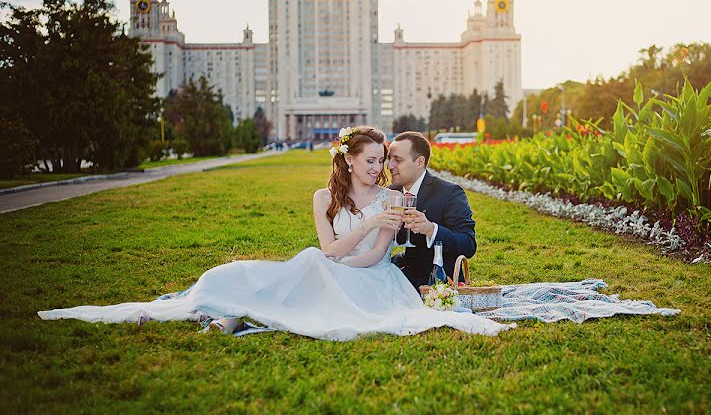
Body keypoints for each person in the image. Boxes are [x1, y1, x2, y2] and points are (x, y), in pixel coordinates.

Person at [38, 126, 513, 341]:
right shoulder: (322, 198)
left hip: (367, 276)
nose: (381, 169)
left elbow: (371, 259)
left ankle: (236, 319)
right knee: (267, 271)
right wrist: (355, 237)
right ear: (347, 160)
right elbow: (329, 248)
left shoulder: (392, 200)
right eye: (372, 161)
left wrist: (356, 247)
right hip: (333, 264)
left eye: (386, 161)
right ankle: (221, 309)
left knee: (309, 270)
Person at [387, 131, 476, 289]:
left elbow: (468, 245)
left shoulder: (450, 192)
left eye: (397, 160)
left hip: (438, 282)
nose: (390, 166)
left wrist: (430, 229)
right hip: (400, 273)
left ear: (420, 162)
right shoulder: (391, 193)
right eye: (389, 160)